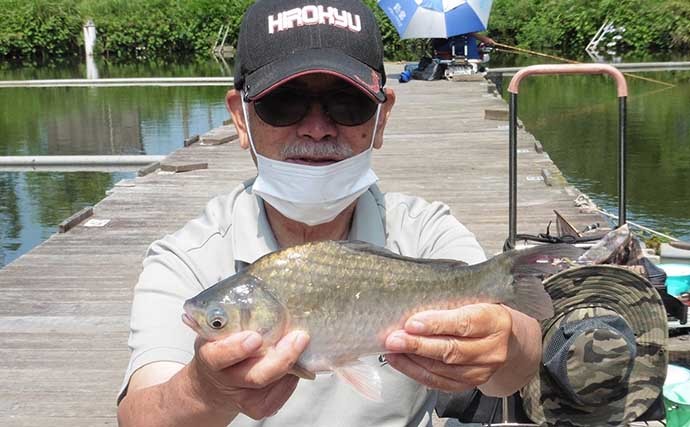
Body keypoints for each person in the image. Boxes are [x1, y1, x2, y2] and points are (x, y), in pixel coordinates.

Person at [116, 1, 542, 426]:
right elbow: (140, 416)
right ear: (241, 119)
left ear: (381, 118)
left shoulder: (424, 229)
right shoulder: (184, 257)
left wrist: (507, 342)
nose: (316, 128)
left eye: (346, 102)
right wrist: (203, 391)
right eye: (283, 103)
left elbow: (514, 367)